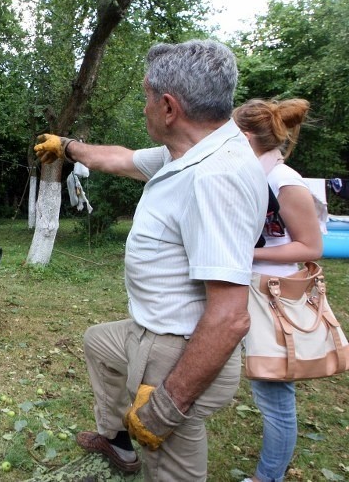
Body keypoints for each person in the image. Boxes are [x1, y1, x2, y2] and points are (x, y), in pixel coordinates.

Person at [34, 39, 268, 480]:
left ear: (167, 107)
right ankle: (118, 442)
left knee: (171, 468)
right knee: (98, 343)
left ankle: (143, 436)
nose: (143, 108)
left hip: (175, 351)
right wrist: (67, 147)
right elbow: (121, 159)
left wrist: (169, 403)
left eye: (145, 97)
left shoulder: (215, 178)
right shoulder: (190, 151)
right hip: (148, 332)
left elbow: (230, 318)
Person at [233, 98, 322, 482]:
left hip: (275, 297)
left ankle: (268, 478)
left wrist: (245, 252)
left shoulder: (285, 182)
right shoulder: (248, 174)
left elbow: (311, 247)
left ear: (247, 135)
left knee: (274, 398)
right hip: (242, 288)